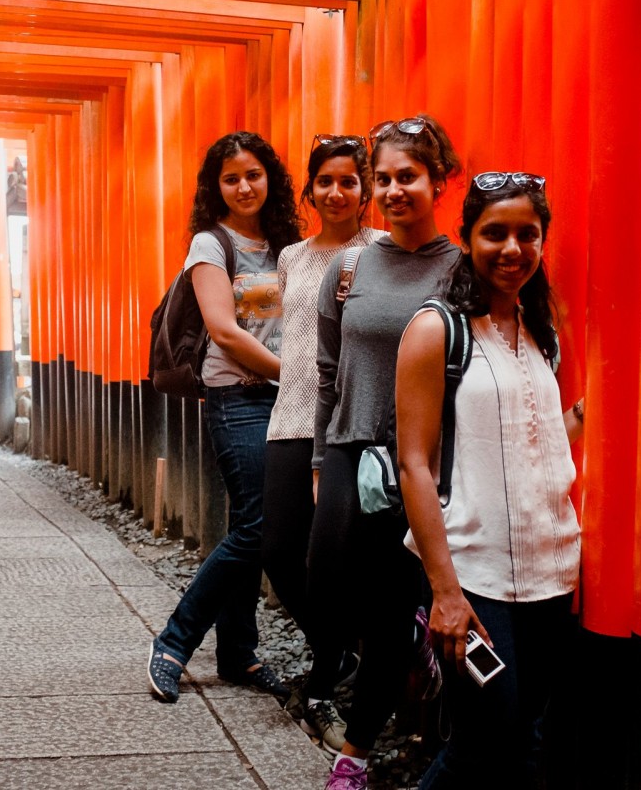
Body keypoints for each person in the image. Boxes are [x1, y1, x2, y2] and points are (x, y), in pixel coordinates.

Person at [394, 172, 585, 789]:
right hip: (473, 580)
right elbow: (414, 463)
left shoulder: (541, 332)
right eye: (495, 233)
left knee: (526, 738)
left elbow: (529, 434)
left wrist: (584, 417)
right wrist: (444, 592)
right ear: (468, 239)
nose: (512, 249)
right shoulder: (437, 331)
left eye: (528, 235)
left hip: (551, 575)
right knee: (482, 739)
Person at [312, 115, 462, 789]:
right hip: (352, 446)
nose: (395, 190)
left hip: (422, 462)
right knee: (328, 581)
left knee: (382, 608)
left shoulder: (461, 270)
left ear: (438, 182)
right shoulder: (349, 267)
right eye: (386, 179)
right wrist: (319, 458)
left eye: (409, 177)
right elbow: (324, 368)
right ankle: (414, 640)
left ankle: (358, 751)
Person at [146, 131, 303, 704]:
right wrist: (293, 373)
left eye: (253, 174)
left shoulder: (291, 243)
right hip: (238, 395)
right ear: (217, 187)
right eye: (231, 178)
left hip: (285, 396)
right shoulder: (211, 245)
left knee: (249, 523)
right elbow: (224, 330)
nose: (243, 186)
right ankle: (174, 641)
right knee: (259, 526)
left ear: (271, 179)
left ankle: (238, 653)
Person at [260, 134, 376, 752]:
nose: (337, 192)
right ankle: (338, 656)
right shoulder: (292, 257)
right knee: (279, 551)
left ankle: (333, 670)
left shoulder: (379, 251)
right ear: (310, 190)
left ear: (365, 191)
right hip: (290, 413)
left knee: (332, 560)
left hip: (347, 421)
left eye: (349, 181)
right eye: (325, 182)